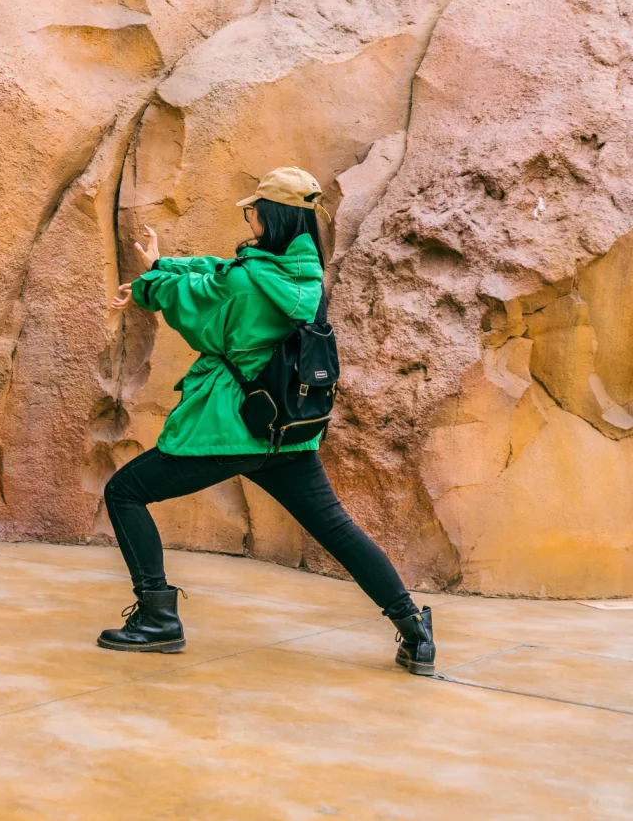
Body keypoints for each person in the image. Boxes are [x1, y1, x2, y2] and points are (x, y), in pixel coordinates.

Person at [97, 166, 436, 677]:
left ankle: (158, 618)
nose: (250, 216)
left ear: (270, 215)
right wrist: (163, 265)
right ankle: (414, 629)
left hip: (231, 427)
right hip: (288, 432)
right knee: (337, 529)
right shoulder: (305, 278)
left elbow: (198, 308)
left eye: (254, 209)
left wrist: (150, 284)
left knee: (125, 492)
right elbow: (217, 273)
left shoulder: (246, 282)